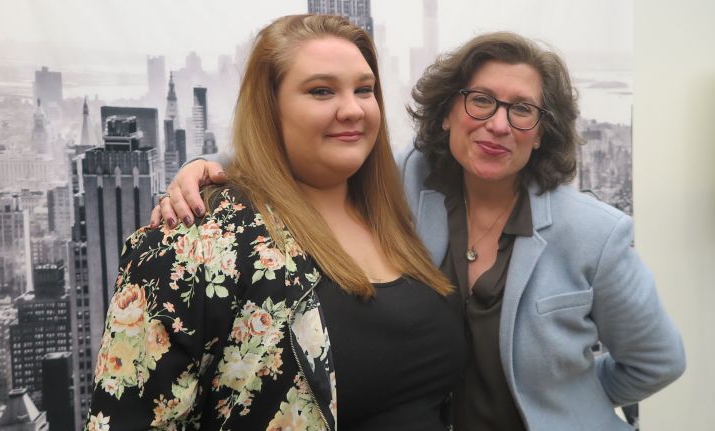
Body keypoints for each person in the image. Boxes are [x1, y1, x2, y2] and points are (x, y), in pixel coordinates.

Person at [153, 31, 686, 430]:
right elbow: (302, 150)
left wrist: (571, 398)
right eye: (481, 100)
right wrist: (208, 167)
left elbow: (657, 361)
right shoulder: (400, 182)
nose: (498, 124)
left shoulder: (595, 232)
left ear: (542, 133)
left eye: (522, 110)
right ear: (449, 110)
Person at [87, 14, 466, 431]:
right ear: (270, 108)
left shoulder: (398, 214)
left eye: (364, 89)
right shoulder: (196, 239)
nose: (352, 109)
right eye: (321, 91)